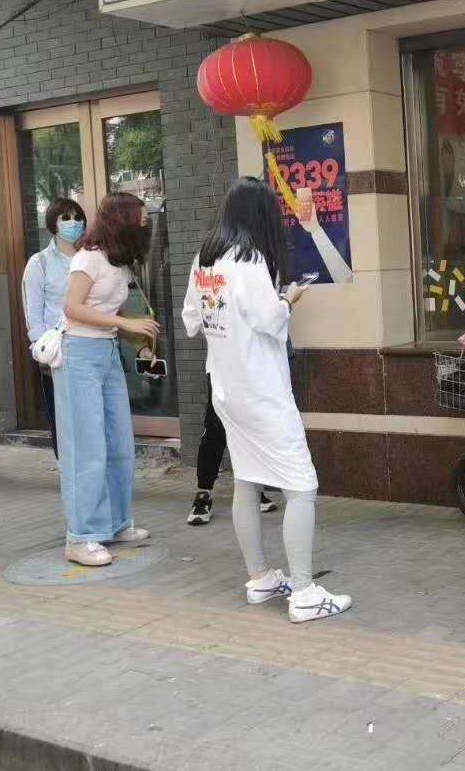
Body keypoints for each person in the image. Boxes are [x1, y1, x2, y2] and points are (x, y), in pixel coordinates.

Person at [181, 177, 351, 622]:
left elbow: (191, 320)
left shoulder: (206, 257)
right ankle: (304, 591)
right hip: (262, 391)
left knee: (247, 480)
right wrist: (288, 299)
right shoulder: (250, 259)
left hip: (226, 389)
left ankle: (259, 577)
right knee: (302, 486)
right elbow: (270, 320)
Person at [58, 193, 159, 568]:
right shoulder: (88, 257)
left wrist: (136, 333)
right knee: (88, 448)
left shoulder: (120, 260)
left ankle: (116, 523)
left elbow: (115, 310)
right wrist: (124, 323)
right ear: (123, 220)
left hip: (107, 351)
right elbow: (72, 308)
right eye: (141, 216)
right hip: (80, 352)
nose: (146, 222)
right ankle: (81, 536)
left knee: (119, 443)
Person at [22, 198, 87, 457]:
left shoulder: (90, 258)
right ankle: (68, 469)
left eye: (77, 217)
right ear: (53, 224)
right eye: (65, 218)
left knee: (89, 416)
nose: (73, 223)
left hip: (90, 345)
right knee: (62, 419)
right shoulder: (40, 262)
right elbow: (33, 312)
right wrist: (42, 350)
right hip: (57, 352)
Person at [186, 384, 277, 525]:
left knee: (249, 433)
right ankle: (203, 495)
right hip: (220, 377)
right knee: (214, 430)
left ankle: (253, 491)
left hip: (251, 378)